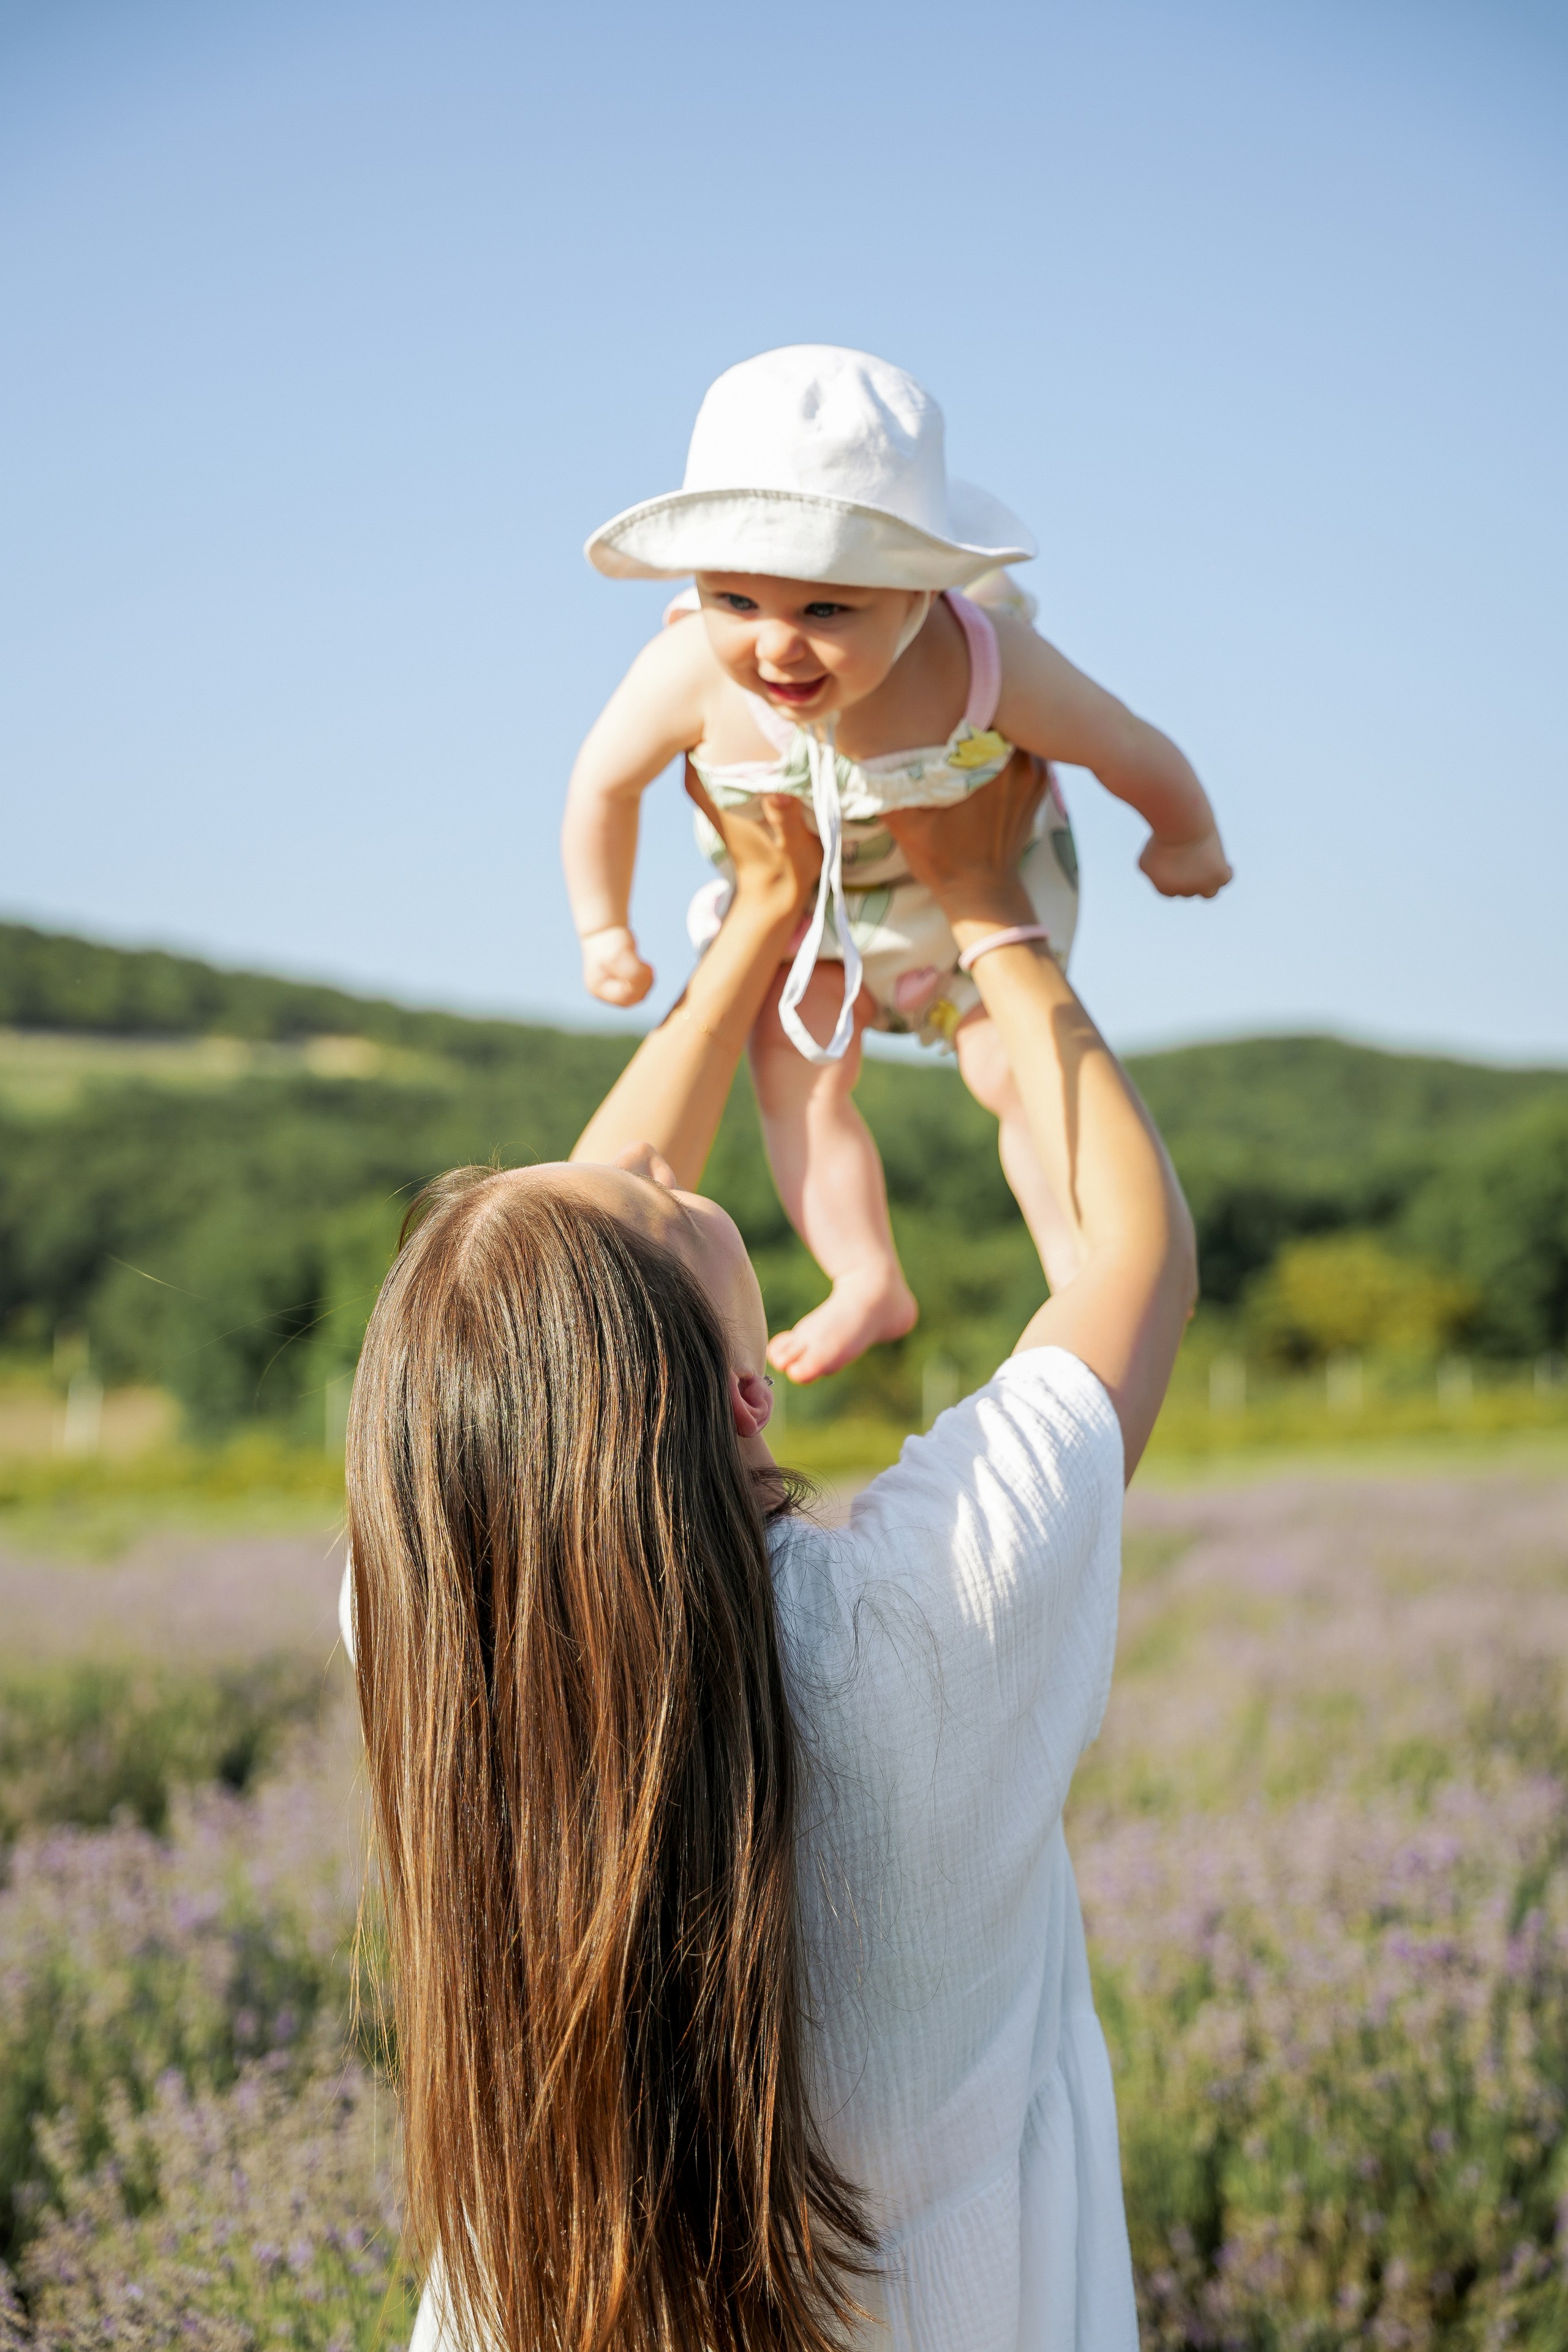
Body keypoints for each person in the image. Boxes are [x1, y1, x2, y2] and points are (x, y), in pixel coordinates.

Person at [342, 754, 1196, 2352]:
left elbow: (555, 1279)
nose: (665, 1161)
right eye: (673, 1199)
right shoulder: (921, 1626)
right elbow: (1138, 1265)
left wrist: (753, 929)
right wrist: (992, 910)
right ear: (747, 1393)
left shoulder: (417, 1623)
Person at [563, 342, 1227, 1383]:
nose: (777, 647)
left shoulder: (979, 665)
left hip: (962, 911)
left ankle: (1084, 1264)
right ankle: (866, 1272)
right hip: (807, 926)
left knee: (1012, 1066)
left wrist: (1185, 833)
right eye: (736, 602)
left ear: (920, 595)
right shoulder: (687, 673)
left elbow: (1122, 742)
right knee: (797, 1076)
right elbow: (601, 786)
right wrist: (604, 928)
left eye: (827, 610)